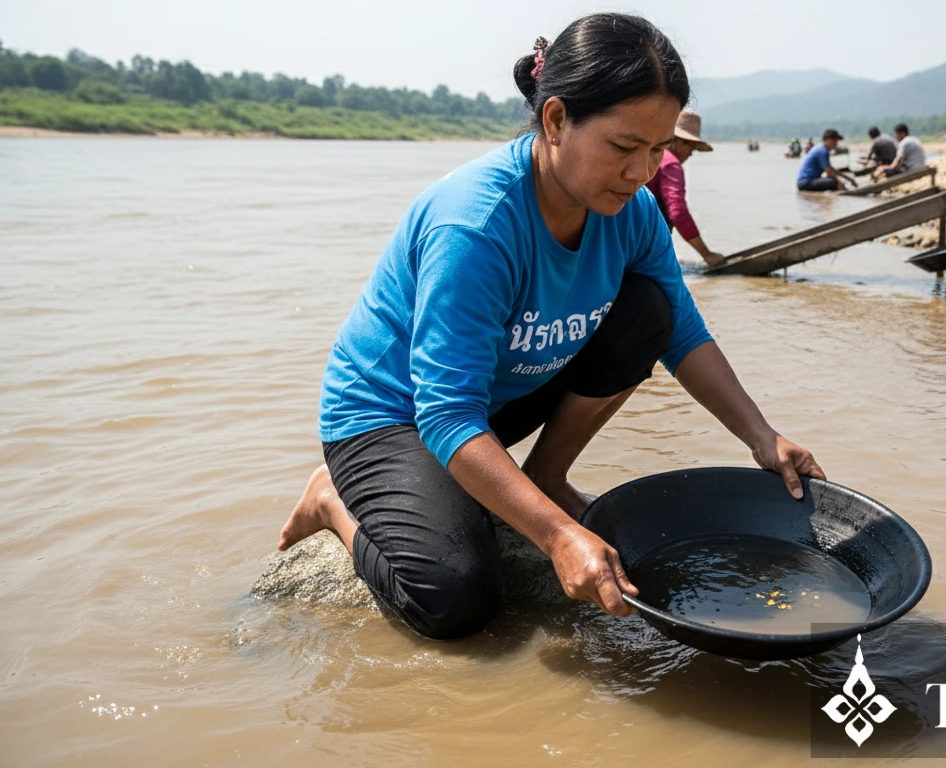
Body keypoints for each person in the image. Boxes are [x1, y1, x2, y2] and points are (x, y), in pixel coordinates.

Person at [277, 13, 825, 640]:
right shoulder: (477, 226)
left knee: (650, 310)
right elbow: (445, 412)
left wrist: (762, 436)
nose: (642, 172)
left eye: (656, 150)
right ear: (557, 120)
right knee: (458, 601)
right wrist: (559, 536)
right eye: (623, 148)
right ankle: (336, 503)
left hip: (495, 397)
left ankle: (546, 477)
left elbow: (682, 334)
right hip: (393, 415)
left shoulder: (633, 212)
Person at [645, 109, 724, 267]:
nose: (691, 154)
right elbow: (679, 212)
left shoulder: (648, 156)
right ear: (679, 142)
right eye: (691, 147)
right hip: (644, 245)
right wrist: (707, 255)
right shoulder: (670, 164)